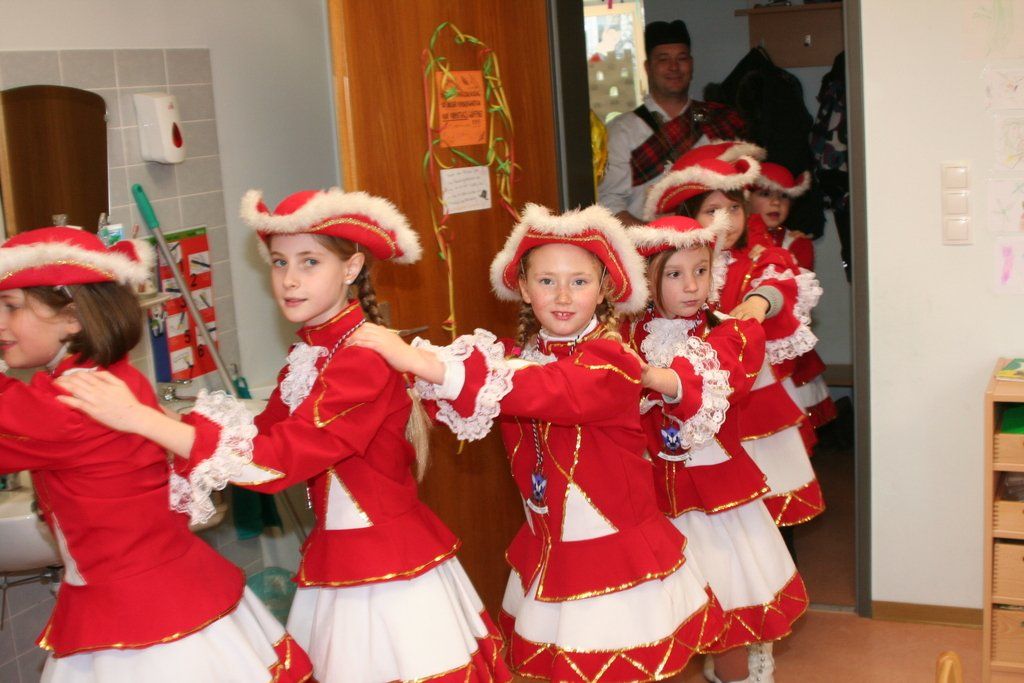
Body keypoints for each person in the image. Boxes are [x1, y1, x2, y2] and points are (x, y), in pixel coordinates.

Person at [57, 189, 510, 683]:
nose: (289, 279)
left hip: (386, 573)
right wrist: (155, 428)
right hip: (346, 559)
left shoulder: (360, 359)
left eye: (309, 262)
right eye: (279, 262)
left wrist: (144, 421)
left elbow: (278, 463)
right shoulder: (314, 353)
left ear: (352, 267)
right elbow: (261, 436)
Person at [348, 203, 724, 682]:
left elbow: (552, 391)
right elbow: (462, 396)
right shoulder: (511, 360)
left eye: (579, 281)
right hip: (553, 547)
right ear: (524, 288)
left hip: (613, 552)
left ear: (604, 288)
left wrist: (426, 364)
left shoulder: (612, 360)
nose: (563, 295)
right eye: (547, 281)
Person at [0, 226, 313, 683]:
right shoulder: (114, 376)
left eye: (11, 307)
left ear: (72, 319)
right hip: (176, 586)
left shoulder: (70, 400)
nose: (0, 322)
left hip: (136, 614)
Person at [624, 213, 808, 683]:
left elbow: (712, 379)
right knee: (657, 617)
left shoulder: (729, 334)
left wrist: (649, 377)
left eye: (701, 270)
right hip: (648, 497)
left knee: (727, 605)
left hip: (715, 500)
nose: (691, 286)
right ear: (647, 278)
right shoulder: (623, 337)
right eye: (674, 274)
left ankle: (737, 674)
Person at [644, 144, 826, 536]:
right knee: (711, 506)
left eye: (734, 208)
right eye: (712, 211)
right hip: (695, 399)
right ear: (688, 216)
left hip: (752, 395)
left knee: (766, 498)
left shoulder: (757, 256)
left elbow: (779, 281)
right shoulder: (676, 266)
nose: (725, 220)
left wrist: (760, 301)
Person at [597, 19, 747, 225]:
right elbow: (609, 204)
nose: (674, 67)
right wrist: (656, 237)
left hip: (718, 240)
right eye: (663, 59)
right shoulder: (622, 131)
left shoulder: (715, 119)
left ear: (691, 64)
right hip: (648, 242)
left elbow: (742, 191)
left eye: (681, 58)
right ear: (648, 67)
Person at [747, 162, 838, 431]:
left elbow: (796, 297)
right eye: (765, 194)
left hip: (782, 348)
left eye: (784, 196)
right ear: (746, 197)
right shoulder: (734, 240)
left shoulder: (798, 244)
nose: (776, 202)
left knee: (791, 428)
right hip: (746, 344)